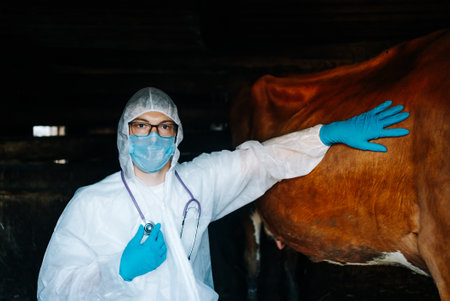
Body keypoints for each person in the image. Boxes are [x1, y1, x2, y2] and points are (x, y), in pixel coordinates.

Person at [37, 87, 410, 300]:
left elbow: (260, 161)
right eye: (141, 126)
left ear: (177, 135)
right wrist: (116, 271)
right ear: (125, 133)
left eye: (164, 127)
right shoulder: (91, 204)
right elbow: (54, 290)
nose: (153, 136)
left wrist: (325, 134)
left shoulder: (195, 184)